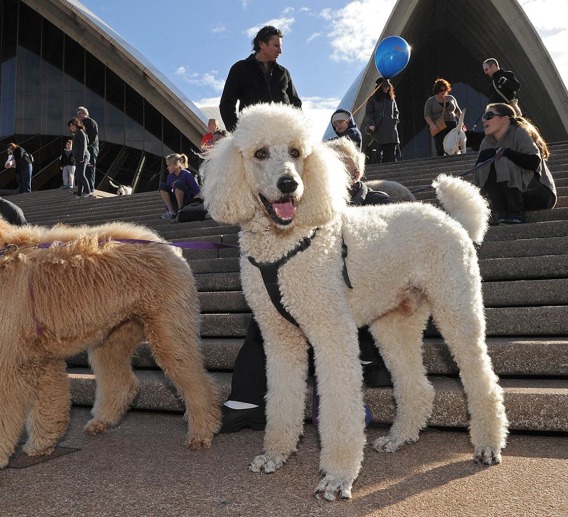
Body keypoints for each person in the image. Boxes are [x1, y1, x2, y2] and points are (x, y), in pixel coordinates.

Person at [220, 137, 393, 433]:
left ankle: (346, 398)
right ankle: (253, 398)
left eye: (346, 168)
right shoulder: (287, 204)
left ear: (357, 174)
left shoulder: (378, 203)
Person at [473, 103, 556, 224]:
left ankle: (517, 213)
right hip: (509, 197)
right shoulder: (487, 141)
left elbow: (533, 162)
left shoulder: (519, 133)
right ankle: (502, 211)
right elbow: (479, 173)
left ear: (505, 119)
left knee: (502, 160)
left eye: (489, 116)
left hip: (538, 194)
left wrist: (506, 152)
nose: (484, 120)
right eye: (483, 117)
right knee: (486, 164)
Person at [219, 25, 302, 132]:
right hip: (253, 138)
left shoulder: (284, 73)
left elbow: (296, 104)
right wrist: (238, 133)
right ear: (262, 44)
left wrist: (296, 130)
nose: (280, 51)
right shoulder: (240, 69)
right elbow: (226, 104)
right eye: (276, 46)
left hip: (283, 136)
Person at [423, 78, 463, 157]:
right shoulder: (430, 101)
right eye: (441, 90)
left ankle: (455, 159)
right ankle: (441, 163)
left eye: (445, 89)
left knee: (454, 143)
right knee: (440, 145)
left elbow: (458, 111)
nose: (443, 92)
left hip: (452, 123)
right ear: (437, 90)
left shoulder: (451, 98)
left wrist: (461, 122)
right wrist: (432, 125)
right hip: (439, 126)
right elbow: (427, 115)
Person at [364, 78, 400, 162]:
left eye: (388, 87)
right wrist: (371, 124)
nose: (386, 89)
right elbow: (368, 113)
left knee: (391, 156)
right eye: (384, 87)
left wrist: (394, 121)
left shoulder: (391, 99)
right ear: (379, 87)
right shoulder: (372, 99)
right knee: (378, 157)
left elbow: (396, 112)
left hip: (391, 131)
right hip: (378, 130)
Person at [158, 153, 201, 220]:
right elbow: (169, 191)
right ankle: (171, 211)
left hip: (187, 199)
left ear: (176, 165)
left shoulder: (187, 174)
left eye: (169, 165)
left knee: (178, 184)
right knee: (162, 186)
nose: (167, 167)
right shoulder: (170, 177)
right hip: (176, 199)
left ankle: (180, 210)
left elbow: (196, 190)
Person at [68, 118, 92, 198]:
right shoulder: (76, 133)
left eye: (72, 125)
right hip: (78, 157)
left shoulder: (80, 132)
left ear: (76, 124)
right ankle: (79, 193)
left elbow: (84, 145)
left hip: (82, 156)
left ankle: (88, 191)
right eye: (70, 126)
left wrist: (81, 158)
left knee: (81, 174)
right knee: (78, 175)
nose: (71, 127)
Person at [76, 106, 99, 188]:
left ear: (85, 113)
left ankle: (90, 188)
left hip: (91, 148)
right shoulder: (81, 123)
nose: (78, 115)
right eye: (78, 114)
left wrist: (86, 145)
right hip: (86, 149)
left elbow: (93, 136)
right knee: (83, 170)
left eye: (80, 113)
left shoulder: (91, 122)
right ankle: (84, 189)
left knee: (90, 169)